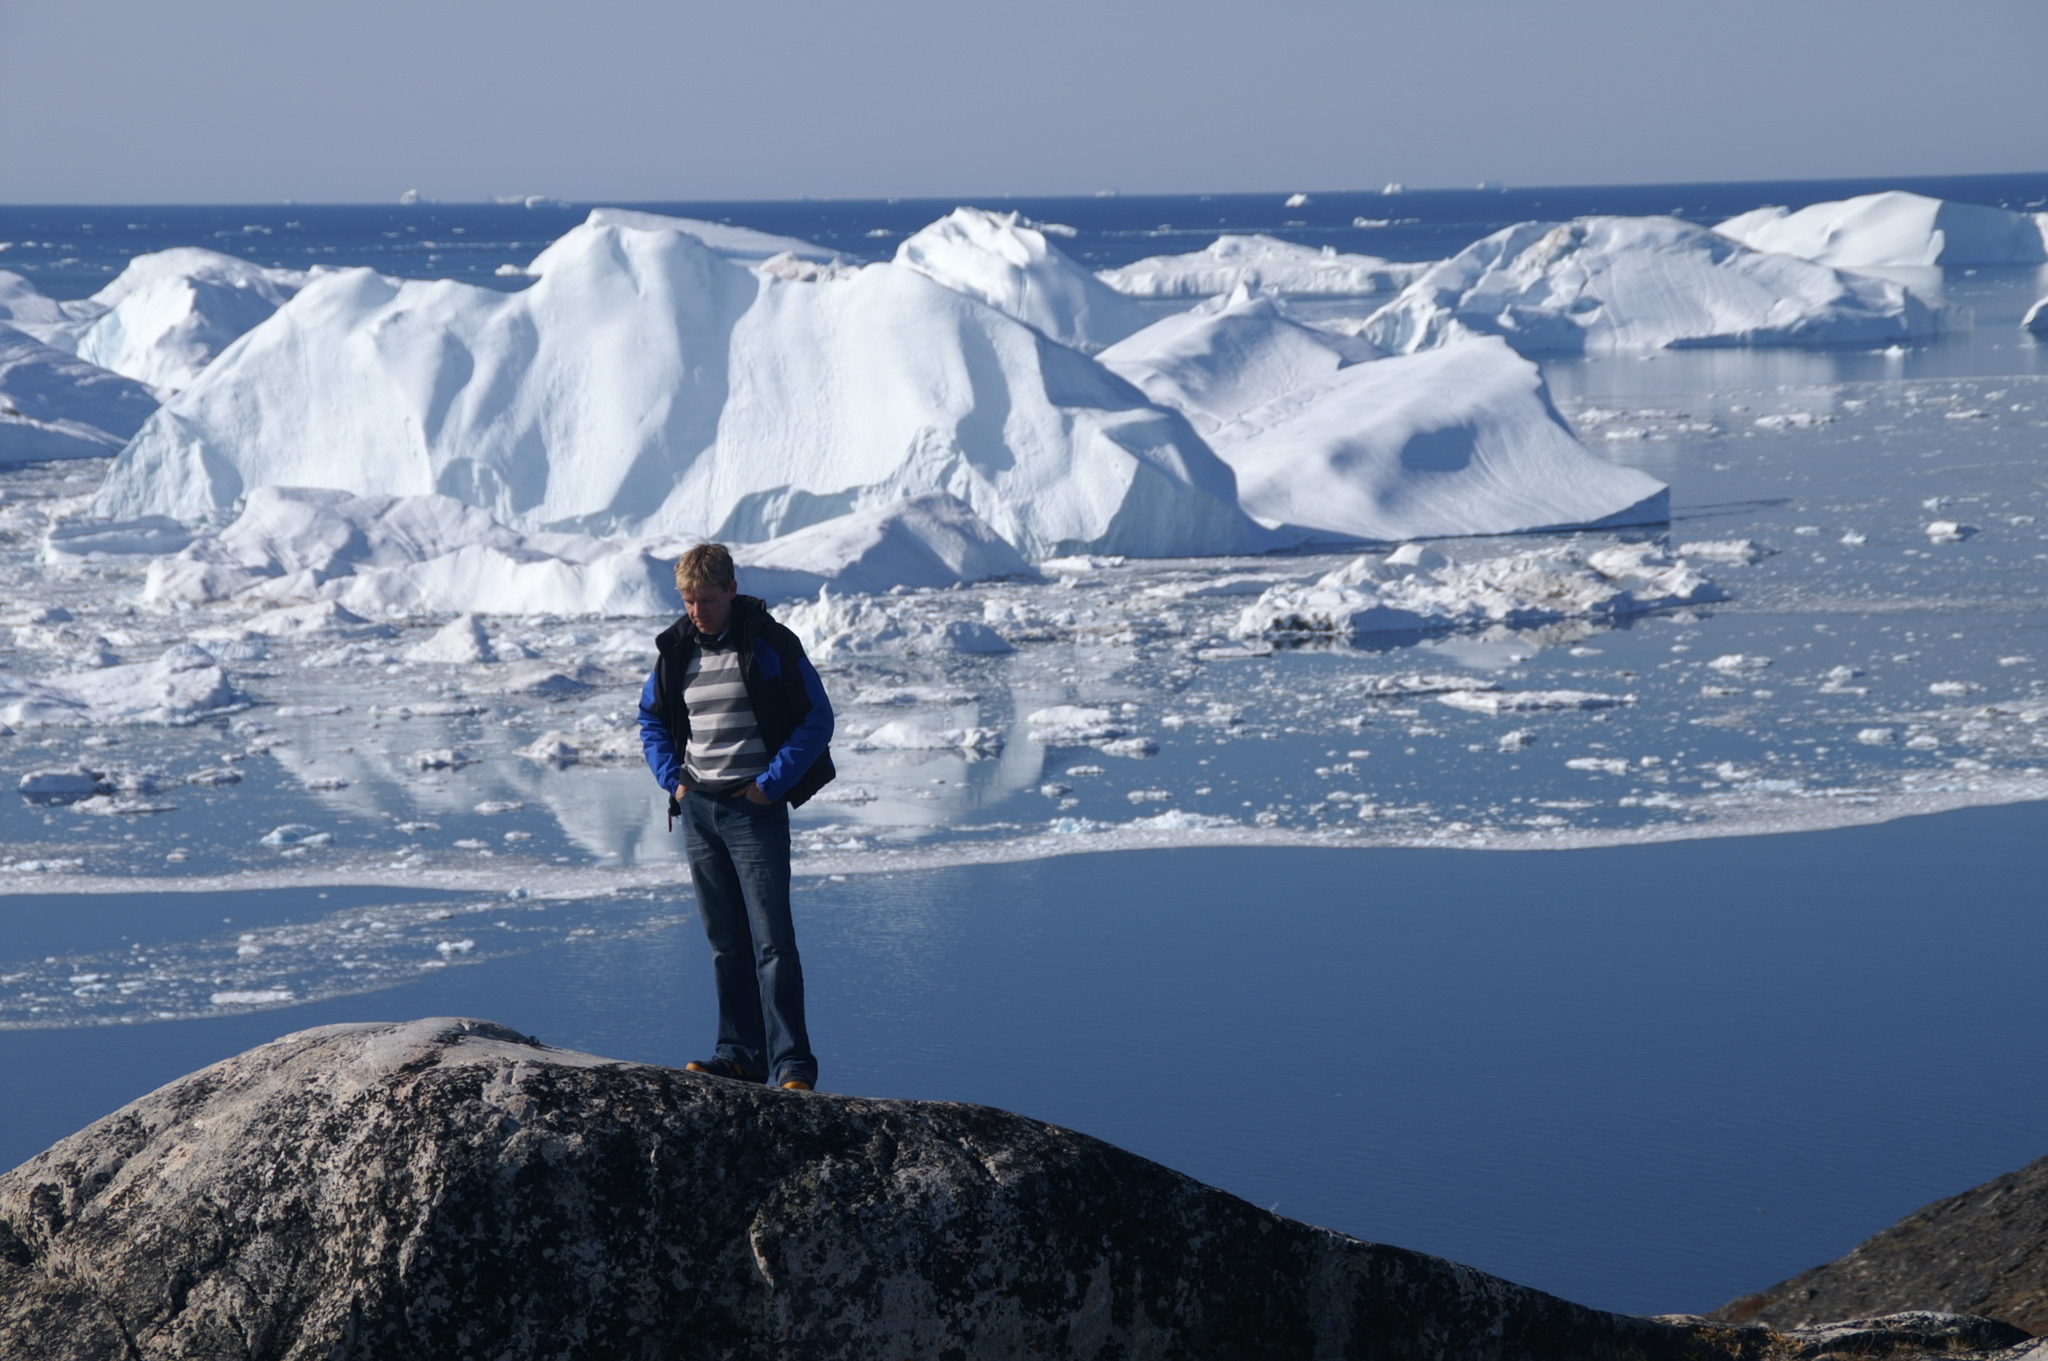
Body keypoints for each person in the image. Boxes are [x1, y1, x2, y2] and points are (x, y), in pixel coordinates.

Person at [637, 543, 835, 1091]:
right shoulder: (675, 650)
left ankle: (792, 1064)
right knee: (726, 941)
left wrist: (771, 787)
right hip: (699, 809)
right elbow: (651, 719)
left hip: (753, 811)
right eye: (687, 599)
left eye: (705, 599)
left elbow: (817, 719)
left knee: (773, 942)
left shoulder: (769, 643)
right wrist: (673, 780)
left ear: (730, 590)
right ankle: (740, 1056)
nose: (696, 610)